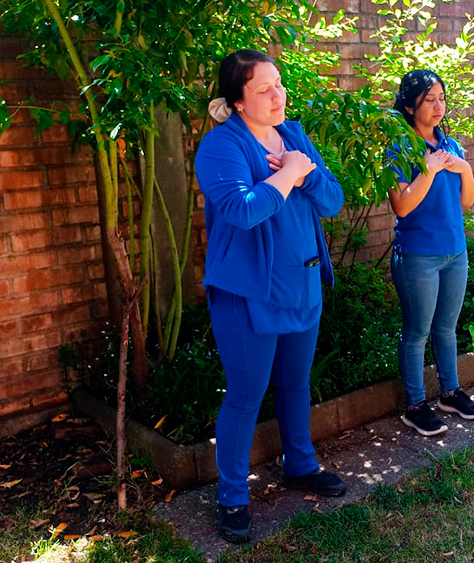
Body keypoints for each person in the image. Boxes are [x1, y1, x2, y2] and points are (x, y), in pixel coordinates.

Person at [194, 49, 346, 544]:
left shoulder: (294, 136)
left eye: (279, 84)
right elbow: (241, 210)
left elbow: (333, 200)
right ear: (238, 101)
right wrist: (289, 173)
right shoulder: (221, 146)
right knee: (245, 395)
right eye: (264, 89)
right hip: (246, 293)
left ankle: (300, 464)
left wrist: (308, 171)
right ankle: (233, 496)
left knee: (296, 384)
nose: (278, 95)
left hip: (300, 283)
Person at [386, 69, 474, 437]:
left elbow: (467, 201)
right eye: (430, 99)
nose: (438, 105)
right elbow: (401, 206)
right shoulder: (399, 148)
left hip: (455, 252)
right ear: (410, 105)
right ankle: (415, 406)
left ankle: (450, 392)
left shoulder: (451, 146)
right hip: (418, 257)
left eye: (442, 98)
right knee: (416, 332)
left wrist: (467, 169)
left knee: (446, 328)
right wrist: (427, 170)